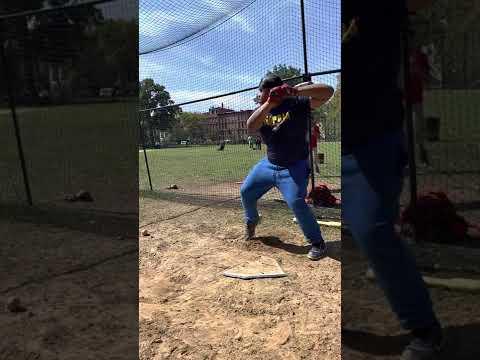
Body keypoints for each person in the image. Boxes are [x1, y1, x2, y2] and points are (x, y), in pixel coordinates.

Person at [342, 1, 443, 359]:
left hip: (374, 134)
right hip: (346, 139)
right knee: (356, 228)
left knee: (372, 228)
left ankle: (425, 329)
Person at [240, 75, 334, 260]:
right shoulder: (262, 109)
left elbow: (327, 92)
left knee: (296, 202)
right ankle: (252, 221)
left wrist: (294, 90)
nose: (262, 96)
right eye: (262, 93)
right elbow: (251, 127)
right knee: (246, 192)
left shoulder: (297, 103)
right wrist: (269, 104)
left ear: (279, 91)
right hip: (268, 164)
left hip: (294, 167)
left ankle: (317, 242)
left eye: (267, 93)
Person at [407, 39, 431, 166]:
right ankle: (405, 157)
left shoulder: (421, 56)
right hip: (403, 97)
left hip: (417, 96)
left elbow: (427, 76)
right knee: (405, 128)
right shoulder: (401, 54)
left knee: (419, 127)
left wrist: (418, 71)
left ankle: (422, 152)